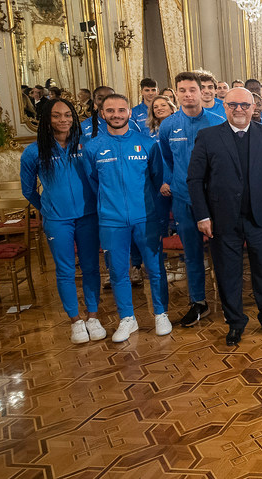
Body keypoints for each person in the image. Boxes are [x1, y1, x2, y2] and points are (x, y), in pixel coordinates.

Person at [187, 87, 262, 346]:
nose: (239, 109)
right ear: (224, 107)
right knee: (228, 273)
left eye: (244, 105)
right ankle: (235, 323)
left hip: (261, 216)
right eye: (233, 105)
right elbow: (195, 180)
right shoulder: (207, 136)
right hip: (222, 219)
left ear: (254, 108)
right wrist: (202, 215)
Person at [82, 94, 170, 342]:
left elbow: (156, 178)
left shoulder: (148, 144)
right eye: (111, 111)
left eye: (121, 110)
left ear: (130, 112)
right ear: (102, 114)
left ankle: (161, 313)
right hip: (111, 221)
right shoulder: (92, 148)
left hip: (146, 217)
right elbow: (92, 183)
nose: (116, 115)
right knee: (118, 271)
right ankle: (127, 318)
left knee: (155, 269)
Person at [20, 99, 104, 344]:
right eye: (57, 116)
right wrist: (48, 208)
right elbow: (28, 190)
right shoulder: (33, 151)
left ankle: (93, 316)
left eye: (68, 115)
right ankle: (76, 321)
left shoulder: (85, 145)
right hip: (58, 220)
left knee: (90, 267)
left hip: (88, 216)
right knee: (66, 270)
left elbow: (97, 177)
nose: (63, 120)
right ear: (47, 119)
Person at [158, 71, 226, 327]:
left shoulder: (218, 122)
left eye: (192, 90)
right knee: (192, 253)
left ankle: (229, 300)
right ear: (176, 94)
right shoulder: (168, 125)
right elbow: (166, 157)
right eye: (182, 90)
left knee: (222, 251)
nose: (188, 95)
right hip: (184, 198)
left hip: (214, 199)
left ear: (202, 92)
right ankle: (198, 302)